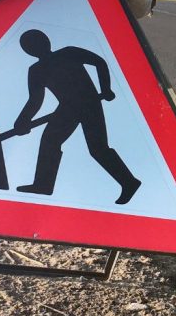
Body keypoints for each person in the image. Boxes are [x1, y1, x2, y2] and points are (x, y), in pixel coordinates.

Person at [12, 29, 141, 204]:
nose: (34, 47)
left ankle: (129, 182)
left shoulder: (68, 52)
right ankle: (43, 184)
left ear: (46, 41)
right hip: (66, 108)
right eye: (29, 46)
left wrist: (105, 88)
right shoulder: (36, 70)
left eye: (35, 42)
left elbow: (99, 62)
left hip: (89, 102)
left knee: (98, 148)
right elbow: (36, 99)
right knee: (49, 141)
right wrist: (23, 119)